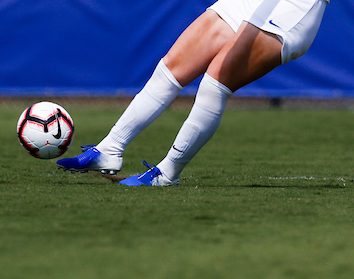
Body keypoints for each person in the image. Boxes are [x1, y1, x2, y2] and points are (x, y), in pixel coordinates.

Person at [56, 0, 329, 186]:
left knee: (215, 82)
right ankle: (109, 149)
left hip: (292, 8)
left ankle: (168, 172)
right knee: (171, 67)